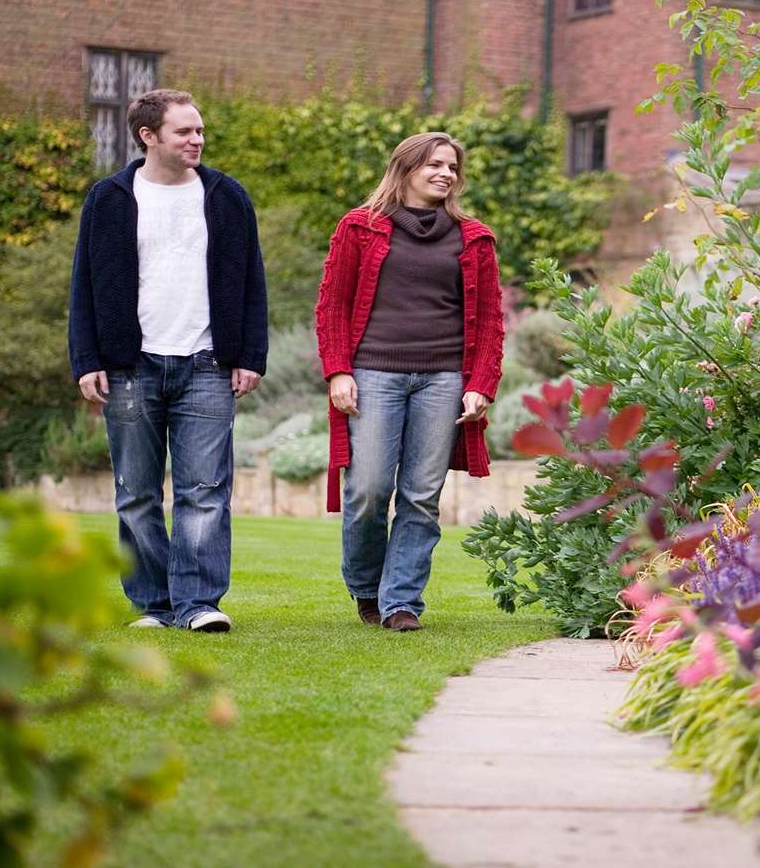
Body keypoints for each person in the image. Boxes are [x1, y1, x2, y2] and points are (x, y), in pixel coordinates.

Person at [68, 88, 268, 632]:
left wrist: (250, 354)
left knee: (205, 491)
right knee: (135, 492)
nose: (197, 139)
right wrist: (87, 358)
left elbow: (252, 280)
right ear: (148, 136)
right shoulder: (108, 198)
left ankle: (199, 604)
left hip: (207, 362)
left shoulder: (227, 197)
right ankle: (153, 605)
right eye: (185, 131)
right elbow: (84, 284)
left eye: (200, 130)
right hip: (130, 366)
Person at [314, 132, 504, 632]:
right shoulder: (360, 228)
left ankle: (401, 602)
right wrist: (337, 370)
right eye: (434, 164)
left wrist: (481, 382)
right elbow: (332, 305)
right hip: (374, 373)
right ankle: (364, 585)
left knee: (421, 495)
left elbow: (489, 320)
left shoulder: (473, 237)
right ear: (406, 168)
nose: (445, 173)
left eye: (452, 167)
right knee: (370, 489)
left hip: (442, 378)